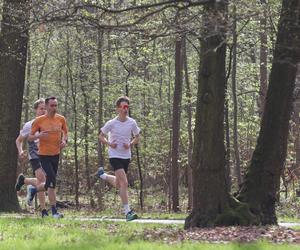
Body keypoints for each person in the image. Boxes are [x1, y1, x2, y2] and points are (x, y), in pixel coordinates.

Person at [98, 96, 140, 221]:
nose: (125, 109)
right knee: (124, 183)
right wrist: (109, 144)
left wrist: (130, 144)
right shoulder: (111, 123)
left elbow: (137, 137)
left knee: (118, 183)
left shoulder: (132, 122)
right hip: (114, 155)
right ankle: (127, 212)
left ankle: (103, 176)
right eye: (123, 107)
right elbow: (101, 136)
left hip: (126, 156)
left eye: (127, 107)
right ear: (118, 109)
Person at [27, 96, 68, 218]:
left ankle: (35, 191)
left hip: (56, 154)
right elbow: (29, 137)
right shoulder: (39, 120)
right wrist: (39, 136)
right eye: (52, 105)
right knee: (51, 178)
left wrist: (65, 141)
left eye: (56, 105)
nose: (54, 108)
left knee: (52, 183)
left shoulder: (61, 119)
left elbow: (65, 133)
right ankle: (53, 210)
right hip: (43, 155)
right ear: (47, 106)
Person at [15, 98, 48, 217]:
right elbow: (18, 140)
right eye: (41, 109)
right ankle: (44, 211)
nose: (43, 111)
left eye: (45, 108)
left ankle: (25, 181)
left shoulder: (50, 122)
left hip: (48, 155)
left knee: (44, 181)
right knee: (44, 180)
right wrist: (20, 150)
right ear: (36, 110)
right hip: (35, 155)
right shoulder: (29, 124)